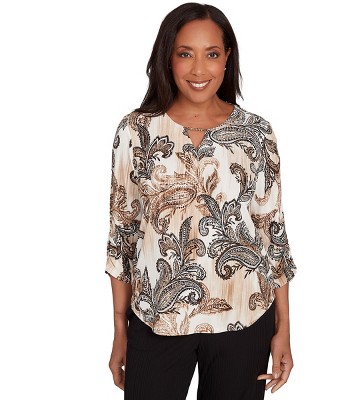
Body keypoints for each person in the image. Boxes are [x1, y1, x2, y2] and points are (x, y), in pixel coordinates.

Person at [105, 3, 297, 399]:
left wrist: (284, 329)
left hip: (244, 317)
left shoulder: (256, 132)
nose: (198, 69)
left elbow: (272, 232)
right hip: (157, 319)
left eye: (211, 54)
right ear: (167, 57)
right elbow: (122, 233)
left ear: (227, 57)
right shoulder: (136, 131)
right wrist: (120, 330)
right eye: (185, 53)